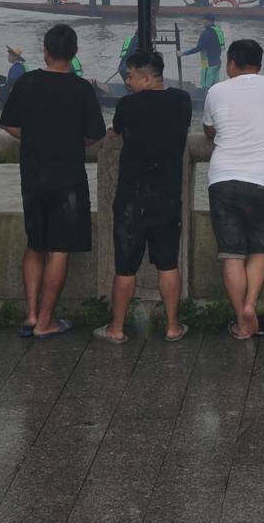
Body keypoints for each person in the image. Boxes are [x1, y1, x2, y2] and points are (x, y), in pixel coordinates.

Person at [0, 24, 104, 339]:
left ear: (45, 51)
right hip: (68, 179)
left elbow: (8, 123)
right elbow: (94, 136)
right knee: (59, 248)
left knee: (35, 244)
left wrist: (34, 138)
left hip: (33, 175)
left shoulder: (27, 82)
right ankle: (47, 320)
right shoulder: (82, 89)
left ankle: (31, 315)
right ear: (74, 54)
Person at [95, 51, 192, 344]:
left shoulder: (128, 105)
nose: (127, 81)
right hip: (167, 195)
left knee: (125, 266)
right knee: (168, 263)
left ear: (147, 78)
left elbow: (119, 131)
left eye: (131, 76)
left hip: (131, 198)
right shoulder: (182, 100)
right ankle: (173, 326)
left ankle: (116, 328)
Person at [203, 38, 264, 339]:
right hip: (260, 181)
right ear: (260, 65)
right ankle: (251, 304)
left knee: (231, 254)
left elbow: (208, 130)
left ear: (231, 63)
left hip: (222, 179)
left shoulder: (216, 91)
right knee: (259, 249)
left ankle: (241, 321)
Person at [183, 13, 227, 88]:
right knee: (215, 86)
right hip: (217, 63)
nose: (203, 22)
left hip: (208, 64)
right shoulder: (218, 30)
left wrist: (183, 53)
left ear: (208, 21)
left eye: (204, 21)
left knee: (206, 87)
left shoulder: (206, 33)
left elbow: (199, 48)